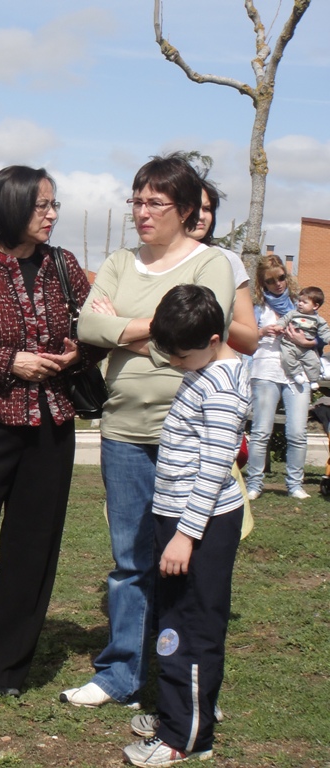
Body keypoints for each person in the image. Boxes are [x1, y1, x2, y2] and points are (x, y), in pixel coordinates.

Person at [60, 153, 234, 707]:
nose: (141, 212)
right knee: (131, 558)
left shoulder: (213, 264)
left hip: (193, 433)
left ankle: (180, 677)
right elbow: (88, 324)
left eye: (154, 202)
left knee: (186, 560)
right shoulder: (118, 261)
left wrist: (127, 333)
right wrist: (154, 332)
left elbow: (203, 331)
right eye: (135, 200)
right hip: (125, 431)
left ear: (185, 209)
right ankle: (121, 674)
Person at [0, 166, 101, 694]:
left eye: (54, 205)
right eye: (42, 206)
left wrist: (84, 350)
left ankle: (5, 670)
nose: (53, 214)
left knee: (32, 549)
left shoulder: (64, 264)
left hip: (52, 427)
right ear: (10, 206)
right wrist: (9, 361)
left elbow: (96, 325)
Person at [122, 284, 249, 767]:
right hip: (177, 516)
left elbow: (216, 467)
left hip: (199, 524)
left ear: (214, 338)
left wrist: (185, 535)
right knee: (173, 619)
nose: (172, 361)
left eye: (180, 354)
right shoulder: (202, 365)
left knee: (189, 627)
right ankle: (183, 711)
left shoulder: (220, 387)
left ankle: (185, 736)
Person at [245, 254, 314, 501]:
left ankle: (295, 484)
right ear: (262, 284)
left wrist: (299, 337)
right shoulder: (259, 308)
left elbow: (318, 338)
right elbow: (246, 340)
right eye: (271, 281)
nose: (278, 284)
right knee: (261, 430)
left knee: (297, 432)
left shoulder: (301, 305)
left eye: (281, 278)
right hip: (266, 371)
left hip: (298, 374)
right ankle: (254, 483)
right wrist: (264, 330)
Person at [192, 178, 259, 355]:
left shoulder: (227, 260)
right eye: (192, 207)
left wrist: (210, 317)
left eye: (207, 209)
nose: (200, 216)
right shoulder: (144, 258)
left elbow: (250, 342)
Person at [278, 286, 329, 389]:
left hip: (307, 349)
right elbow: (284, 320)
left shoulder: (318, 320)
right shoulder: (293, 314)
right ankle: (296, 374)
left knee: (314, 361)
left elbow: (325, 332)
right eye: (299, 301)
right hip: (289, 344)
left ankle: (313, 380)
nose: (299, 304)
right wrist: (279, 326)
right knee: (286, 358)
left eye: (304, 302)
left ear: (315, 306)